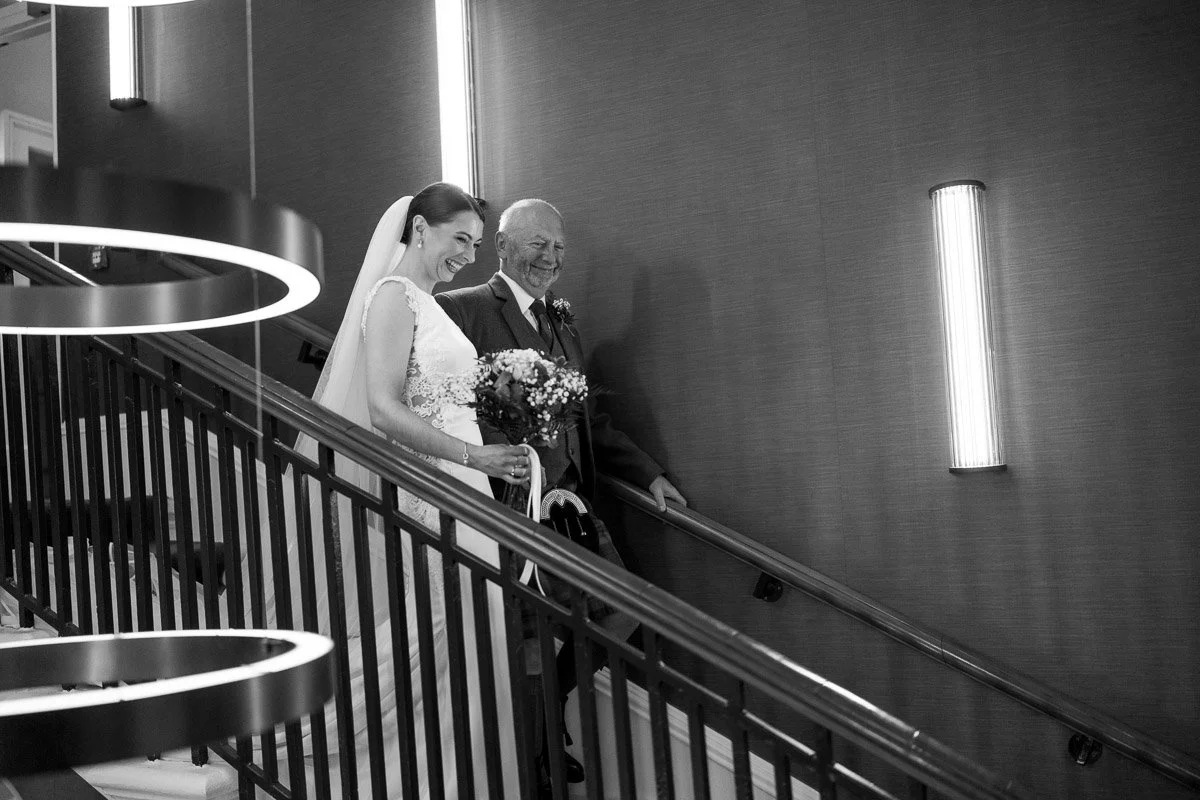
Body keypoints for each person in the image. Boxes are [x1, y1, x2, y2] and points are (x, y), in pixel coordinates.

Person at [435, 198, 687, 794]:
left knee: (627, 609)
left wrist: (647, 472)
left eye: (558, 248)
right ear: (501, 246)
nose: (550, 258)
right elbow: (450, 406)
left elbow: (588, 420)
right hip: (509, 508)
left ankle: (546, 720)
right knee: (528, 641)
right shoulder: (462, 310)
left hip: (573, 506)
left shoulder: (563, 326)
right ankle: (532, 761)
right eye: (537, 244)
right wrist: (517, 470)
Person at [288, 182, 529, 798]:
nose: (468, 256)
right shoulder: (394, 297)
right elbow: (383, 408)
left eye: (476, 245)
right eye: (460, 240)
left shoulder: (425, 299)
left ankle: (463, 776)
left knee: (468, 630)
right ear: (419, 229)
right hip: (441, 482)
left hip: (466, 478)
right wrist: (475, 455)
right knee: (451, 628)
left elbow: (436, 393)